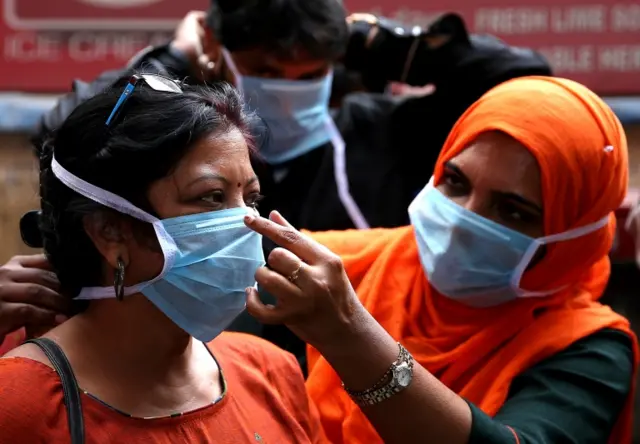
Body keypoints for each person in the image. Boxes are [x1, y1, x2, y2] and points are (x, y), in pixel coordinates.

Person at [238, 76, 638, 443]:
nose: (464, 220)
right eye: (456, 182)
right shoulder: (346, 264)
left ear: (571, 240)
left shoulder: (590, 349)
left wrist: (351, 336)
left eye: (512, 211)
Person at [0, 78, 329, 442]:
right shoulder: (19, 405)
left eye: (250, 198)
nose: (247, 223)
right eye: (211, 197)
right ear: (110, 232)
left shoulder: (270, 371)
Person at [32, 2, 552, 232]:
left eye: (310, 74)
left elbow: (527, 81)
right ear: (217, 47)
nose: (288, 89)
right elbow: (64, 143)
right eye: (267, 70)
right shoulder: (177, 140)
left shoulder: (383, 132)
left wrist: (382, 46)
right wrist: (170, 60)